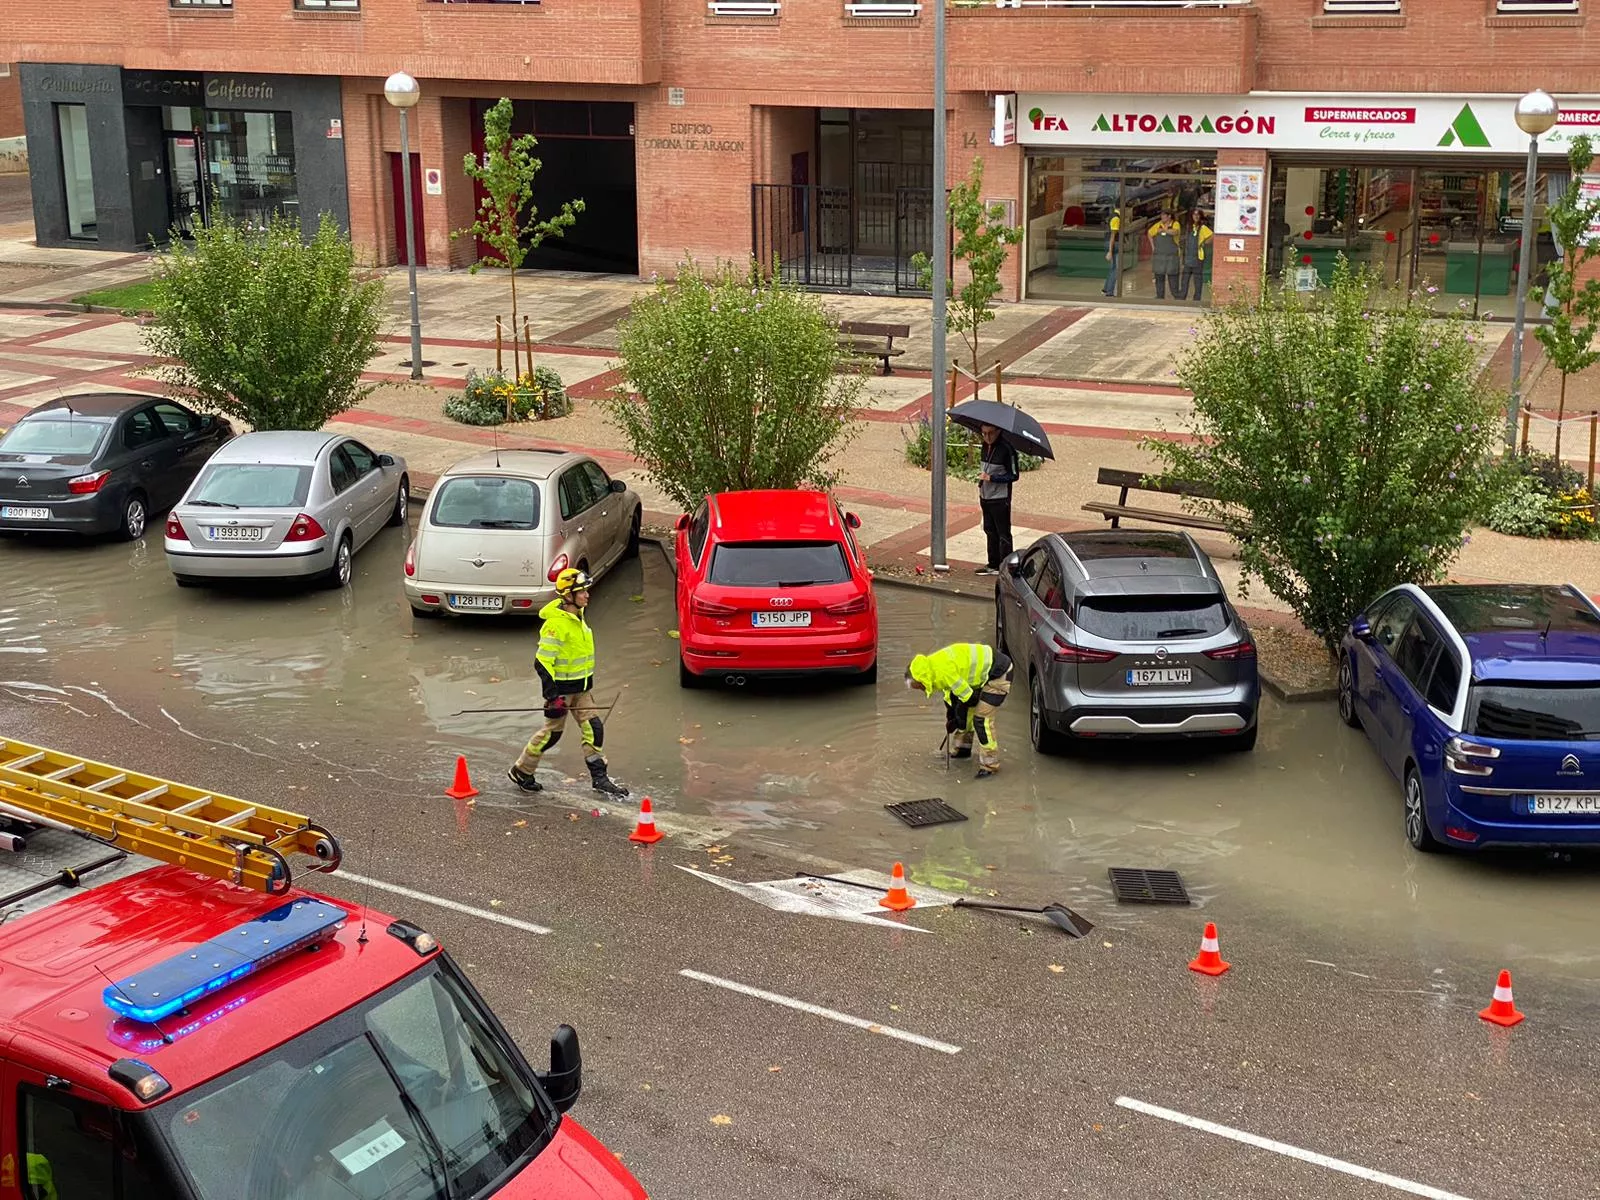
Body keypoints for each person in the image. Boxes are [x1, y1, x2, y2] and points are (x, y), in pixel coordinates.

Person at [508, 567, 629, 797]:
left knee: (594, 728)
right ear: (568, 596)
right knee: (552, 734)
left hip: (582, 689)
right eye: (582, 591)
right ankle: (522, 770)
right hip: (561, 691)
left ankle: (600, 780)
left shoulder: (577, 616)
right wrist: (552, 697)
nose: (587, 595)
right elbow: (542, 663)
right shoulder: (556, 625)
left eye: (585, 591)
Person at [905, 642, 1014, 780]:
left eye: (919, 687)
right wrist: (952, 717)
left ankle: (990, 766)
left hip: (999, 673)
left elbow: (969, 699)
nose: (921, 690)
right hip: (984, 675)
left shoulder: (943, 671)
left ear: (922, 679)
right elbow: (950, 697)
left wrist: (958, 718)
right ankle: (963, 750)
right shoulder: (932, 668)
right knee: (965, 716)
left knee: (981, 719)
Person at [976, 423, 1018, 577]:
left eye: (990, 433)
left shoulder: (1007, 449)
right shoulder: (985, 446)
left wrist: (992, 478)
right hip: (985, 495)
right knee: (989, 530)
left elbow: (1014, 475)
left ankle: (1006, 565)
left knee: (1003, 533)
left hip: (1000, 498)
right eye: (984, 433)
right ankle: (993, 563)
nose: (987, 437)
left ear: (998, 431)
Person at [1178, 208, 1213, 302]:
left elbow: (1212, 236)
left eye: (1197, 215)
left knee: (1197, 280)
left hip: (1198, 258)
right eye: (1194, 215)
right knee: (1184, 280)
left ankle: (1197, 299)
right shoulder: (1189, 227)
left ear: (1200, 216)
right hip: (1188, 257)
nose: (1196, 216)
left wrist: (1204, 243)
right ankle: (1182, 297)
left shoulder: (1203, 228)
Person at [1148, 210, 1183, 300]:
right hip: (1159, 256)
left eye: (1164, 216)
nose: (1162, 218)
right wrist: (1153, 247)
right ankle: (1160, 296)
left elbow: (1175, 232)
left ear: (1169, 216)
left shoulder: (1175, 224)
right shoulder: (1158, 224)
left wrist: (1163, 230)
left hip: (1172, 256)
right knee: (1159, 276)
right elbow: (1149, 233)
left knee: (1173, 277)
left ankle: (1176, 296)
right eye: (1161, 216)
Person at [1102, 207, 1124, 298]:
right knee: (1116, 269)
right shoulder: (1116, 218)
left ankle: (1106, 288)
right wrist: (1110, 251)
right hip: (1113, 244)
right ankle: (1109, 292)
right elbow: (1113, 235)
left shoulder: (1113, 216)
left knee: (1113, 267)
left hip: (1110, 243)